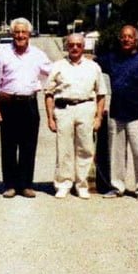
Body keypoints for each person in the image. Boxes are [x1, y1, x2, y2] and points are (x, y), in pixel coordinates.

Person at [0, 18, 52, 198]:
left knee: (28, 145)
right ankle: (9, 185)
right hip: (8, 104)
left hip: (29, 104)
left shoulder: (38, 55)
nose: (20, 35)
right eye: (17, 32)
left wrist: (72, 68)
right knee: (8, 145)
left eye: (24, 32)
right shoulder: (3, 54)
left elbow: (54, 71)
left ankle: (25, 185)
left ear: (29, 34)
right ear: (12, 34)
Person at [97, 24, 138, 200]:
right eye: (123, 36)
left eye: (130, 36)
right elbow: (92, 63)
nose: (126, 39)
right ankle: (117, 187)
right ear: (120, 39)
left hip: (137, 115)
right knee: (116, 154)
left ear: (136, 40)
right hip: (117, 113)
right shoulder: (111, 58)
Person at [44, 33, 107, 199]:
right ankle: (63, 184)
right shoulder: (58, 66)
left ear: (83, 46)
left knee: (85, 148)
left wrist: (98, 117)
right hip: (64, 110)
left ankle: (81, 185)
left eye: (78, 45)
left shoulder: (93, 67)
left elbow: (101, 94)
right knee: (64, 149)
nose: (75, 48)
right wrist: (50, 117)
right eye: (71, 45)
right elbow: (48, 93)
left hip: (86, 108)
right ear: (66, 46)